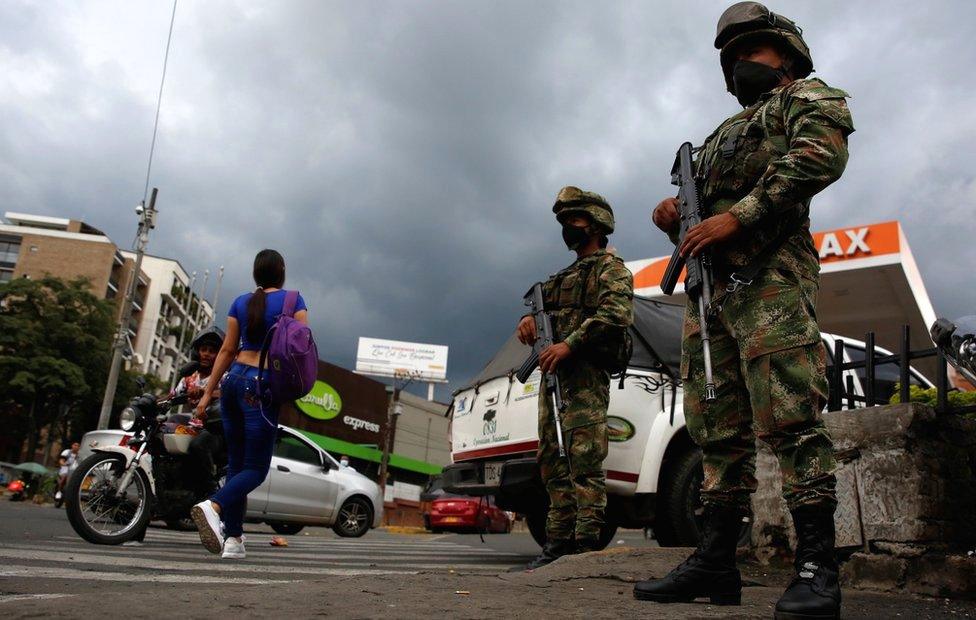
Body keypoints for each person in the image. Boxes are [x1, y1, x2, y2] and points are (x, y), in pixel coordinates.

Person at [634, 4, 854, 619]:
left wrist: (740, 215)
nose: (737, 65)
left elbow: (817, 158)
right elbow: (705, 215)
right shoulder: (717, 139)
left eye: (750, 51)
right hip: (712, 298)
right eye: (729, 58)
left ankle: (816, 565)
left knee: (790, 416)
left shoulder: (806, 98)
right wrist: (679, 217)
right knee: (714, 430)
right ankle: (714, 560)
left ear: (785, 54)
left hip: (770, 282)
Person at [516, 186, 634, 569]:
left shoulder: (610, 270)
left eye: (576, 221)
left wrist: (570, 344)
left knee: (584, 459)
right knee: (552, 460)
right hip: (554, 380)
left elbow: (615, 315)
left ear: (597, 225)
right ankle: (557, 544)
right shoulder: (559, 278)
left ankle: (586, 548)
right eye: (565, 222)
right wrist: (528, 321)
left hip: (584, 378)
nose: (569, 228)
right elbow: (538, 310)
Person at [192, 249, 309, 560]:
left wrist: (206, 394)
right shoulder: (294, 300)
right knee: (255, 469)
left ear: (256, 273)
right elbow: (301, 348)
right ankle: (213, 505)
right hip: (260, 387)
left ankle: (234, 539)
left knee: (237, 466)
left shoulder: (240, 302)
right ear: (282, 271)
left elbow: (227, 350)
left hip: (231, 384)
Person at [174, 326, 225, 496]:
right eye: (203, 349)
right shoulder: (189, 378)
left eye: (212, 351)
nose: (206, 354)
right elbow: (172, 396)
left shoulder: (223, 376)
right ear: (197, 352)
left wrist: (206, 392)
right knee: (169, 423)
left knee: (198, 445)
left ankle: (211, 492)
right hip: (191, 426)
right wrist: (149, 400)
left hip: (214, 429)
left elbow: (227, 392)